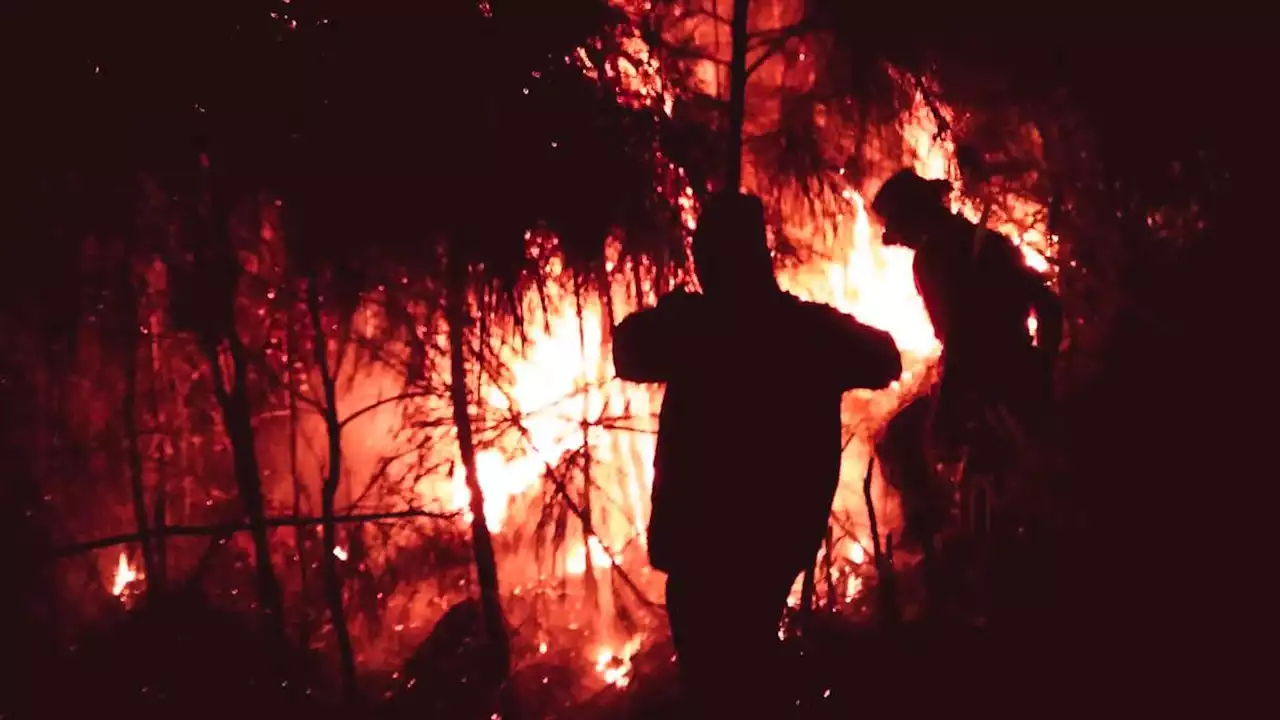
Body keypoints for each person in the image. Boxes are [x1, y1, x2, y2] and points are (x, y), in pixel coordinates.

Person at [612, 192, 902, 718]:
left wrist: (675, 312)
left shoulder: (696, 331)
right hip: (774, 537)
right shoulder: (805, 331)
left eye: (706, 252)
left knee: (720, 683)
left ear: (719, 259)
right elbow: (884, 357)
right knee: (747, 666)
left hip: (705, 541)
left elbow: (628, 349)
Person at [870, 168, 1063, 539]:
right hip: (1019, 374)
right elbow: (1048, 304)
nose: (902, 240)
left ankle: (937, 543)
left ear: (913, 217)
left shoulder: (932, 258)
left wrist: (946, 408)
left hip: (984, 388)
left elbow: (961, 338)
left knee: (901, 440)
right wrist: (1042, 364)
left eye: (900, 226)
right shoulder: (989, 240)